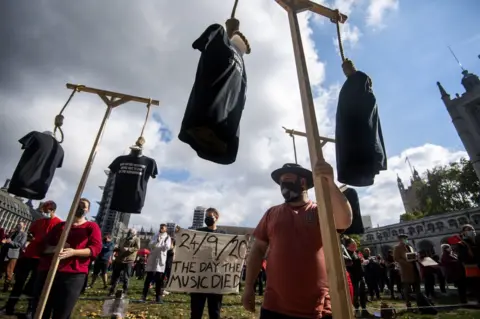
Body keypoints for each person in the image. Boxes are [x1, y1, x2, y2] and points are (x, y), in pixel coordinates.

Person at [242, 162, 353, 319]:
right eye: (281, 182)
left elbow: (345, 221)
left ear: (303, 182)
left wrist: (329, 181)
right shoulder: (271, 213)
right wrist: (248, 287)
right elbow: (258, 250)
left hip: (317, 309)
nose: (283, 185)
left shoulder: (320, 211)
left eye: (287, 179)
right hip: (274, 307)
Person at [29, 198, 102, 319]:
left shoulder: (91, 227)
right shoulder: (60, 226)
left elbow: (95, 249)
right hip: (49, 271)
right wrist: (56, 248)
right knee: (40, 310)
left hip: (72, 274)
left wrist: (74, 252)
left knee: (62, 312)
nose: (79, 207)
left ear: (88, 210)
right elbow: (44, 247)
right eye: (77, 204)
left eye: (83, 206)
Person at [0, 201, 61, 316]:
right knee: (18, 283)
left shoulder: (58, 224)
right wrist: (30, 237)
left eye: (46, 210)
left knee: (35, 285)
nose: (44, 212)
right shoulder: (38, 222)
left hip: (42, 258)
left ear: (52, 210)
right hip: (29, 255)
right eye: (43, 210)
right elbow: (30, 234)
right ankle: (9, 307)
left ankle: (31, 310)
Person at [190, 207, 226, 319]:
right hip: (199, 276)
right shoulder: (199, 232)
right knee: (196, 311)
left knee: (215, 312)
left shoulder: (223, 235)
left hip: (216, 278)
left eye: (209, 217)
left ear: (216, 217)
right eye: (206, 217)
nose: (207, 219)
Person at [141, 224, 171, 303]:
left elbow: (167, 247)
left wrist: (161, 244)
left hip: (160, 259)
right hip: (153, 258)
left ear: (166, 229)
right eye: (160, 227)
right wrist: (156, 241)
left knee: (159, 279)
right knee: (148, 278)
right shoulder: (155, 236)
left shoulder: (168, 237)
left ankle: (158, 297)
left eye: (163, 227)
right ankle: (144, 296)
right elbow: (150, 244)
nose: (161, 228)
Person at [393, 234, 422, 309]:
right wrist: (406, 262)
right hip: (406, 269)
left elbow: (412, 256)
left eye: (406, 238)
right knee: (407, 287)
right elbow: (396, 258)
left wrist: (416, 257)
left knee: (417, 285)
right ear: (399, 239)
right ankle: (408, 303)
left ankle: (420, 303)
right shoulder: (397, 248)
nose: (406, 240)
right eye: (404, 238)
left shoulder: (410, 247)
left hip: (414, 268)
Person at [344, 238, 371, 317]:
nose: (355, 244)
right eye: (353, 243)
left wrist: (366, 261)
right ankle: (357, 310)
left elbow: (362, 261)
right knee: (356, 294)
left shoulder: (357, 252)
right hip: (354, 277)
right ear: (349, 245)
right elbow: (349, 264)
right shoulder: (346, 253)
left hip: (361, 276)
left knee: (363, 293)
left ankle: (364, 309)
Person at [109, 228, 140, 296]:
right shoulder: (124, 238)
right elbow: (120, 246)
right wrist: (116, 249)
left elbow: (137, 247)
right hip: (120, 258)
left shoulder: (136, 239)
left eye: (131, 232)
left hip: (129, 259)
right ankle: (112, 290)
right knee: (116, 275)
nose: (129, 233)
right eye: (129, 232)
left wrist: (129, 249)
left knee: (126, 276)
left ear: (134, 233)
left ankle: (125, 291)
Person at [456, 224, 480, 304]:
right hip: (472, 268)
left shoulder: (477, 241)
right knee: (477, 286)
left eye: (472, 229)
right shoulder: (462, 244)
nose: (471, 231)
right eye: (468, 229)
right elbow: (463, 258)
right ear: (463, 232)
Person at [0, 221, 27, 292]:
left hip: (13, 255)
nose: (18, 225)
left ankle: (5, 288)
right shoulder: (13, 232)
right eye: (18, 224)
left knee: (9, 272)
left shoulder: (24, 234)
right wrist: (4, 241)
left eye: (20, 225)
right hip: (5, 252)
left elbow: (20, 245)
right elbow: (8, 239)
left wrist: (10, 242)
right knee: (1, 269)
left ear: (24, 226)